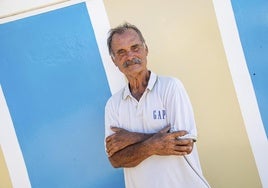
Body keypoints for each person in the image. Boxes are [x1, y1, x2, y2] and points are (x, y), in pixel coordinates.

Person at [104, 22, 210, 188]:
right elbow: (116, 160)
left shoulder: (171, 87)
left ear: (146, 49)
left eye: (135, 47)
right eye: (121, 52)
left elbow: (183, 144)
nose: (130, 56)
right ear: (114, 60)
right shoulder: (113, 104)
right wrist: (156, 143)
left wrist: (131, 138)